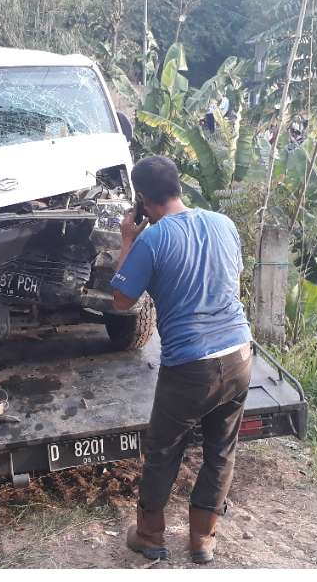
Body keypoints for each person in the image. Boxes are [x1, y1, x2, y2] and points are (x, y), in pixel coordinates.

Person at [111, 155, 253, 564]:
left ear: (141, 200)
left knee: (163, 450)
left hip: (190, 365)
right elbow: (233, 282)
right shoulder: (223, 223)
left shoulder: (151, 241)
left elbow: (122, 301)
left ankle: (151, 536)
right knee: (221, 450)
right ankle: (202, 541)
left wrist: (127, 240)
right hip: (239, 354)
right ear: (178, 186)